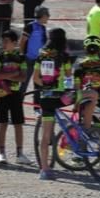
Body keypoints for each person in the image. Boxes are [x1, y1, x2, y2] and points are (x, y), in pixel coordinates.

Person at [32, 28, 73, 180]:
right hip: (62, 98)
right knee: (87, 98)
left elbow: (35, 78)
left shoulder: (42, 55)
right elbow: (69, 76)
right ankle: (81, 129)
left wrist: (45, 86)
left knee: (46, 135)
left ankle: (44, 169)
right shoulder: (64, 56)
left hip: (46, 99)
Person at [0, 30, 31, 165]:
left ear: (14, 43)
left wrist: (6, 74)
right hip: (1, 93)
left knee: (18, 124)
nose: (3, 44)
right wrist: (14, 73)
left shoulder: (21, 58)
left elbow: (23, 77)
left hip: (15, 93)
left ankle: (20, 153)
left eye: (6, 41)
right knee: (2, 124)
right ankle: (1, 153)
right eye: (3, 41)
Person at [74, 36, 100, 131]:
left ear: (85, 49)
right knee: (99, 124)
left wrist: (76, 104)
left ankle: (85, 141)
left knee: (84, 124)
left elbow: (77, 86)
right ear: (99, 50)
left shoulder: (80, 64)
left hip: (85, 97)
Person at [19, 6, 49, 91]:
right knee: (24, 83)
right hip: (28, 58)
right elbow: (22, 41)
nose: (48, 17)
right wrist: (21, 54)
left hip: (39, 60)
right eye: (48, 15)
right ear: (43, 15)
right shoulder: (30, 26)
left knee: (38, 83)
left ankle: (36, 102)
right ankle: (18, 102)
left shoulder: (43, 28)